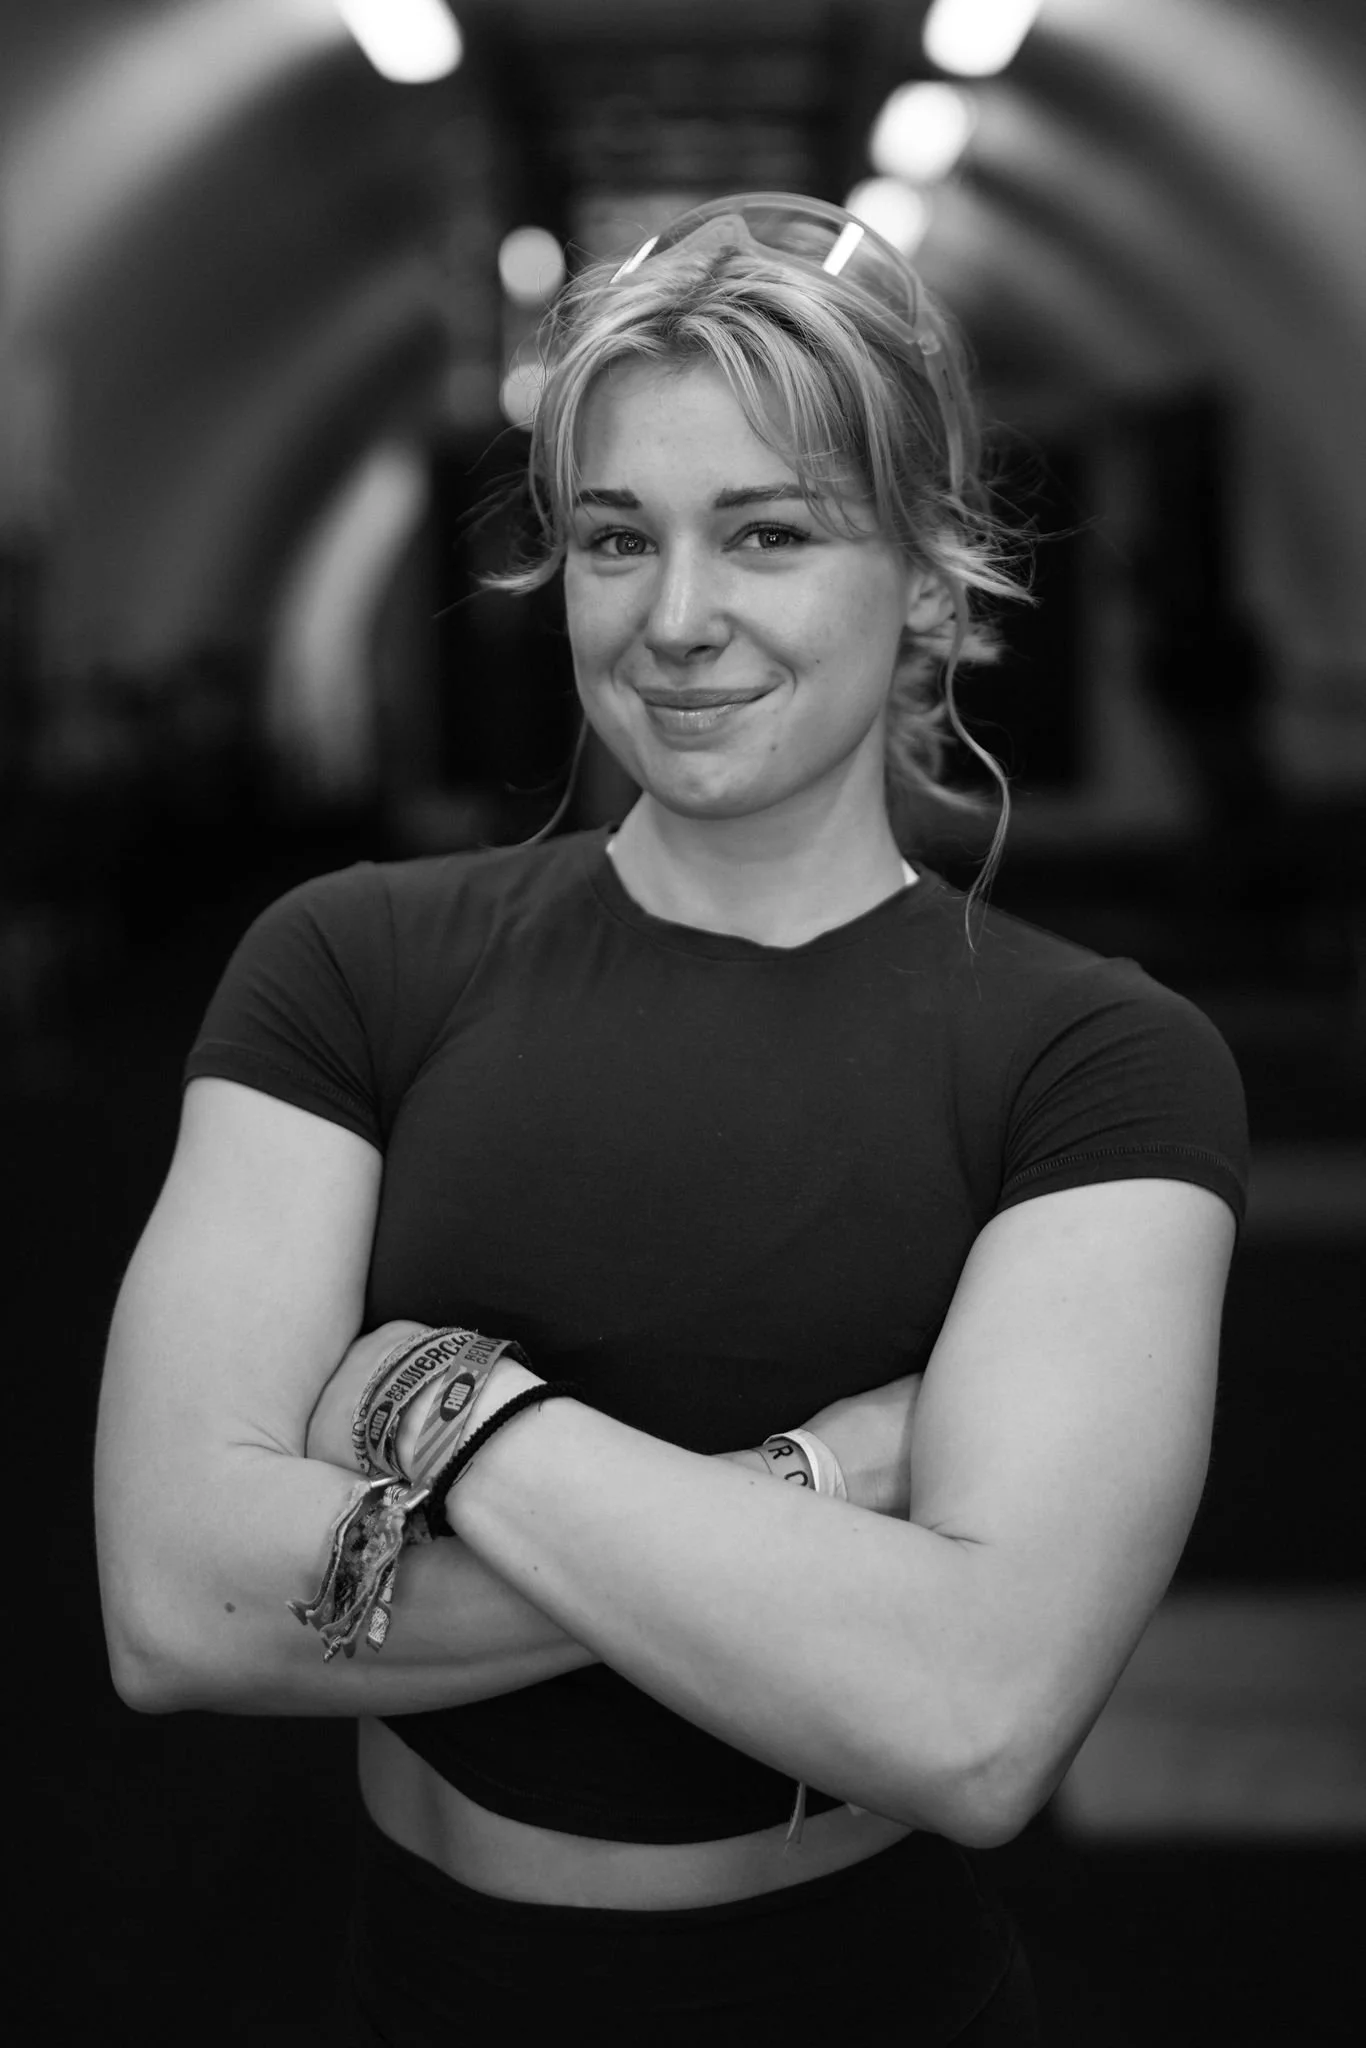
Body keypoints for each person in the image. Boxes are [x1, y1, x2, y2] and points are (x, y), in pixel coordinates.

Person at [94, 193, 1249, 2044]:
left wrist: (443, 1412)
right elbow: (176, 1607)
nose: (679, 618)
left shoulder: (1100, 1064)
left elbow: (970, 1720)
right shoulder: (351, 961)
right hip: (412, 1987)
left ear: (933, 582)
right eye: (616, 539)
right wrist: (815, 1502)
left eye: (770, 534)